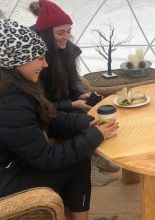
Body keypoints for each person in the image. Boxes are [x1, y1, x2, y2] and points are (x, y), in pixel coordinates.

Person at [0, 19, 119, 220]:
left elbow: (49, 116)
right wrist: (94, 136)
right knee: (78, 163)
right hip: (6, 180)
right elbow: (47, 158)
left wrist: (87, 123)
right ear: (16, 62)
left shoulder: (17, 87)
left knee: (78, 159)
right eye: (38, 58)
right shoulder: (10, 103)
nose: (45, 64)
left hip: (14, 164)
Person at [29, 0, 120, 185]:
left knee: (96, 112)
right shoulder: (36, 61)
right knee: (84, 121)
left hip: (65, 106)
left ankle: (95, 153)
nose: (66, 37)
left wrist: (80, 94)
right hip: (47, 114)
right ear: (47, 34)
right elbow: (38, 103)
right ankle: (85, 164)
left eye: (69, 31)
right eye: (60, 32)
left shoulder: (67, 50)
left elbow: (73, 80)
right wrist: (70, 104)